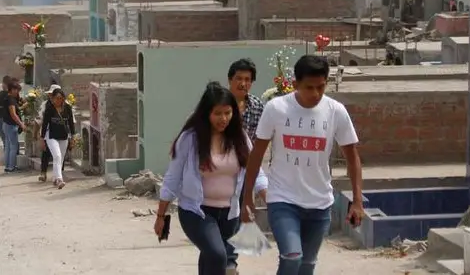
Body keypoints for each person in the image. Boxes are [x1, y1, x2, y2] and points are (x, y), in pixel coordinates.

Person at [241, 55, 365, 275]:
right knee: (292, 256)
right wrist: (247, 197)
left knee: (307, 265)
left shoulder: (336, 111)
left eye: (321, 87)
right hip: (283, 200)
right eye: (309, 87)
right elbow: (257, 154)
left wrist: (357, 201)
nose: (316, 94)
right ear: (295, 84)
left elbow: (352, 157)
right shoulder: (276, 108)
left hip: (320, 203)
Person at [155, 82, 269, 275]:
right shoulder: (190, 139)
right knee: (217, 255)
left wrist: (270, 199)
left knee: (211, 258)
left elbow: (256, 172)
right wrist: (160, 216)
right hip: (197, 212)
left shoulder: (239, 138)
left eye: (227, 113)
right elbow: (172, 178)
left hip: (229, 213)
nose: (223, 119)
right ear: (206, 113)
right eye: (217, 113)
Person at [39, 88, 76, 188]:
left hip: (64, 136)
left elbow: (71, 123)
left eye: (60, 98)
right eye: (56, 98)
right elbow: (45, 124)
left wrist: (73, 137)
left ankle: (55, 179)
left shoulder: (67, 108)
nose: (58, 100)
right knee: (57, 156)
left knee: (60, 159)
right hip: (52, 136)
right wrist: (42, 139)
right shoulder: (49, 109)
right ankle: (59, 179)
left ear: (63, 98)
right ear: (53, 99)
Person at [227, 58, 263, 142]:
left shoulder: (258, 106)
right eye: (239, 78)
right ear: (230, 80)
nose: (243, 84)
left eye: (247, 80)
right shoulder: (218, 102)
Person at [1, 81, 27, 173]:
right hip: (11, 125)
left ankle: (8, 166)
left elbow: (15, 110)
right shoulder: (11, 100)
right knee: (13, 147)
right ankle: (12, 167)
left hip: (6, 125)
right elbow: (13, 114)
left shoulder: (7, 98)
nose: (17, 92)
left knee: (8, 147)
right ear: (12, 89)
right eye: (16, 90)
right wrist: (21, 124)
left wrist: (22, 107)